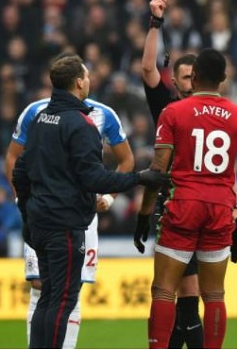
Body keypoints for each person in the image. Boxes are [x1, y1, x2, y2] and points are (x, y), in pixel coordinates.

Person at [12, 53, 168, 349]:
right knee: (63, 299)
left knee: (47, 298)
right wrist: (139, 178)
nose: (89, 80)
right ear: (79, 83)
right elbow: (94, 179)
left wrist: (26, 210)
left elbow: (20, 170)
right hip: (65, 224)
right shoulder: (81, 124)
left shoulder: (40, 118)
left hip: (39, 221)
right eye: (86, 76)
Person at [135, 49, 237, 349]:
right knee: (214, 294)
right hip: (220, 209)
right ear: (224, 79)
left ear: (197, 77)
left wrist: (144, 214)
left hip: (183, 206)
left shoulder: (173, 113)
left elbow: (158, 169)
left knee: (164, 290)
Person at [6, 91, 134, 347]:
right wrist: (22, 201)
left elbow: (126, 159)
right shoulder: (36, 111)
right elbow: (13, 156)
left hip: (80, 217)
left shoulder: (103, 113)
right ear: (78, 81)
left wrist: (108, 199)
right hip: (42, 211)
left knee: (70, 290)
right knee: (41, 286)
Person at [138, 0, 201, 349]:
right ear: (174, 81)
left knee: (177, 290)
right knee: (184, 291)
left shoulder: (213, 108)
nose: (189, 82)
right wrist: (156, 23)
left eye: (194, 76)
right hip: (179, 203)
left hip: (189, 205)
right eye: (185, 77)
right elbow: (148, 69)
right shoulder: (168, 105)